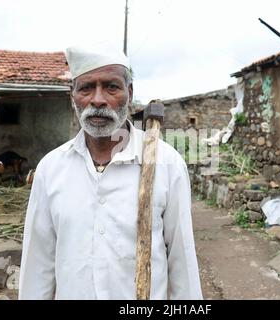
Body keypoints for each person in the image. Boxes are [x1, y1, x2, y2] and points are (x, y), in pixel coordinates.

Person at [18, 44, 202, 300]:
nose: (98, 100)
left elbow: (183, 262)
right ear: (73, 95)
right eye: (86, 88)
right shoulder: (51, 169)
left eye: (111, 87)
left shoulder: (167, 164)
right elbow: (37, 264)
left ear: (129, 92)